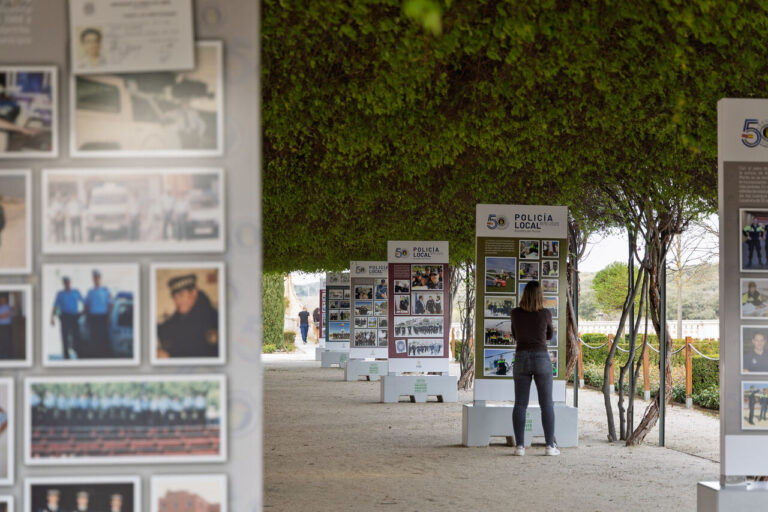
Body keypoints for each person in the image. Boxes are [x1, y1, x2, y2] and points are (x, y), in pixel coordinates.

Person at [510, 280, 558, 456]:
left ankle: (520, 447)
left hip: (521, 357)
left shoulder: (515, 313)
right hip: (541, 358)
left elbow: (515, 335)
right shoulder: (545, 313)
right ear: (540, 295)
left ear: (524, 294)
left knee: (520, 404)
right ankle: (549, 447)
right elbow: (550, 335)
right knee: (546, 404)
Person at [157, 273, 219, 358]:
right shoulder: (182, 315)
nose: (177, 301)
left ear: (194, 292)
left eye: (180, 295)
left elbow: (203, 353)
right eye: (174, 297)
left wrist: (170, 356)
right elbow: (169, 326)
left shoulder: (212, 317)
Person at [51, 277, 84, 359]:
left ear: (70, 282)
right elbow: (55, 306)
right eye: (65, 282)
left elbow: (84, 302)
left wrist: (83, 313)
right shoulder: (60, 294)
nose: (67, 284)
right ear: (63, 284)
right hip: (65, 316)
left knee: (76, 336)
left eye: (68, 282)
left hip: (74, 316)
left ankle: (79, 353)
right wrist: (52, 318)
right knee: (64, 336)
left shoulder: (76, 292)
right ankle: (66, 355)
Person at [84, 269, 113, 358]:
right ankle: (95, 356)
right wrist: (86, 318)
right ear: (93, 279)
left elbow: (110, 304)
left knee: (103, 338)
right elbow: (87, 305)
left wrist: (109, 317)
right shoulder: (90, 291)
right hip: (93, 317)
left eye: (97, 277)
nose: (96, 279)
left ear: (100, 278)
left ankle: (104, 356)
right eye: (94, 277)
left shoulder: (106, 290)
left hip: (103, 317)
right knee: (94, 338)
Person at [0, 293, 12, 359]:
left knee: (6, 340)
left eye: (2, 299)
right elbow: (3, 316)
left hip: (6, 326)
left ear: (5, 300)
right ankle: (1, 353)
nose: (1, 300)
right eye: (1, 299)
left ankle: (7, 355)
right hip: (0, 326)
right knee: (1, 340)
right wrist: (2, 316)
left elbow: (6, 315)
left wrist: (2, 316)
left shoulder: (8, 307)